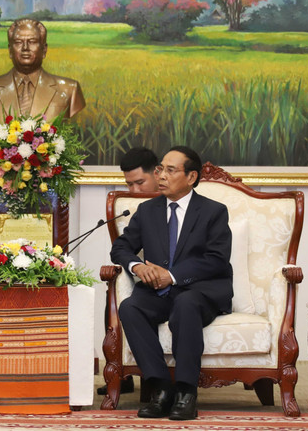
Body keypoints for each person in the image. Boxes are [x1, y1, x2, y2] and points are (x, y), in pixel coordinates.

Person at [110, 146, 232, 420]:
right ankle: (161, 388)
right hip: (159, 291)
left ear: (191, 177)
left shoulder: (213, 212)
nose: (162, 175)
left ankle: (186, 393)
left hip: (198, 290)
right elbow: (121, 248)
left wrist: (173, 275)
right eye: (160, 169)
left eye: (170, 170)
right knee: (130, 308)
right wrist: (138, 265)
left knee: (186, 304)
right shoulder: (147, 210)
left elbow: (217, 260)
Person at [97, 146, 160, 397]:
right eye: (129, 184)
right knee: (113, 296)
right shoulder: (134, 208)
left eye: (139, 183)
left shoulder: (182, 200)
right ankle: (121, 373)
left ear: (157, 173)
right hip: (142, 277)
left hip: (181, 279)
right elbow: (122, 248)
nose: (134, 191)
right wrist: (138, 267)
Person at [0, 19, 86, 124]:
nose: (25, 47)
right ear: (10, 50)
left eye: (32, 41)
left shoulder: (70, 90)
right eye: (18, 42)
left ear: (44, 49)